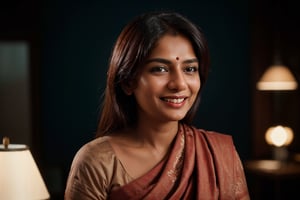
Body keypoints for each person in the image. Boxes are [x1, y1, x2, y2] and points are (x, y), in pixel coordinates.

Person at [64, 11, 250, 200]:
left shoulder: (221, 156)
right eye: (160, 69)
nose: (179, 84)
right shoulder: (97, 161)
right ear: (128, 82)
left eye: (190, 69)